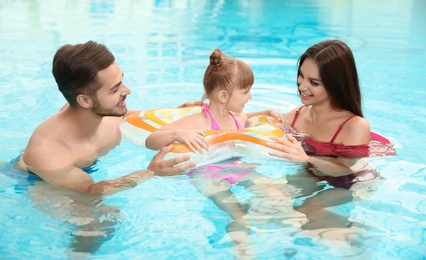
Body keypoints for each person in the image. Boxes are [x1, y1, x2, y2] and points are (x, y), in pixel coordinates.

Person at [14, 40, 196, 195]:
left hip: (77, 169)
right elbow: (89, 190)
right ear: (85, 100)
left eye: (121, 80)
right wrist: (149, 173)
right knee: (97, 225)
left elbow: (135, 117)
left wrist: (175, 112)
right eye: (115, 89)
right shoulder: (48, 152)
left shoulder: (105, 113)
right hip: (39, 181)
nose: (127, 90)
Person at [266, 39, 393, 229]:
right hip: (312, 173)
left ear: (336, 85)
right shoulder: (295, 116)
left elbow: (347, 168)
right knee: (273, 200)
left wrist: (306, 160)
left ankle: (358, 237)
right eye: (301, 76)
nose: (302, 86)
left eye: (314, 82)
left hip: (352, 182)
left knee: (309, 209)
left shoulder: (354, 126)